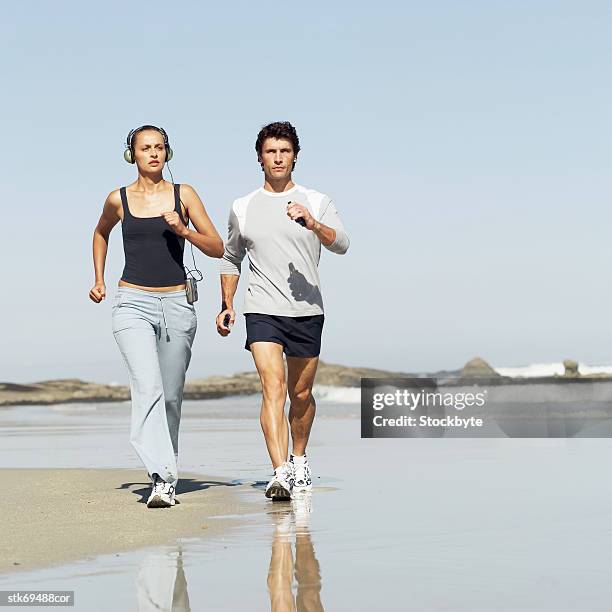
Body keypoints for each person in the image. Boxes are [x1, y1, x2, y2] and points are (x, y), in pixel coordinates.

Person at [90, 125, 224, 508]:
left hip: (178, 304)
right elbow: (100, 233)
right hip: (132, 302)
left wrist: (184, 229)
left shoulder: (185, 195)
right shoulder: (119, 199)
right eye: (145, 147)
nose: (153, 153)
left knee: (170, 396)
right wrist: (99, 278)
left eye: (159, 147)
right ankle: (162, 478)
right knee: (147, 387)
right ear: (132, 154)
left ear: (168, 152)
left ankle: (167, 466)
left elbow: (217, 247)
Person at [216, 121, 349, 500]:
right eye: (271, 151)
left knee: (301, 393)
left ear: (295, 157)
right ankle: (278, 473)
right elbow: (230, 257)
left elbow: (342, 243)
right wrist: (226, 304)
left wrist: (313, 222)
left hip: (307, 310)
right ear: (260, 158)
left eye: (284, 151)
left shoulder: (317, 200)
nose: (278, 158)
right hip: (262, 309)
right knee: (272, 387)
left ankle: (299, 458)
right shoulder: (242, 206)